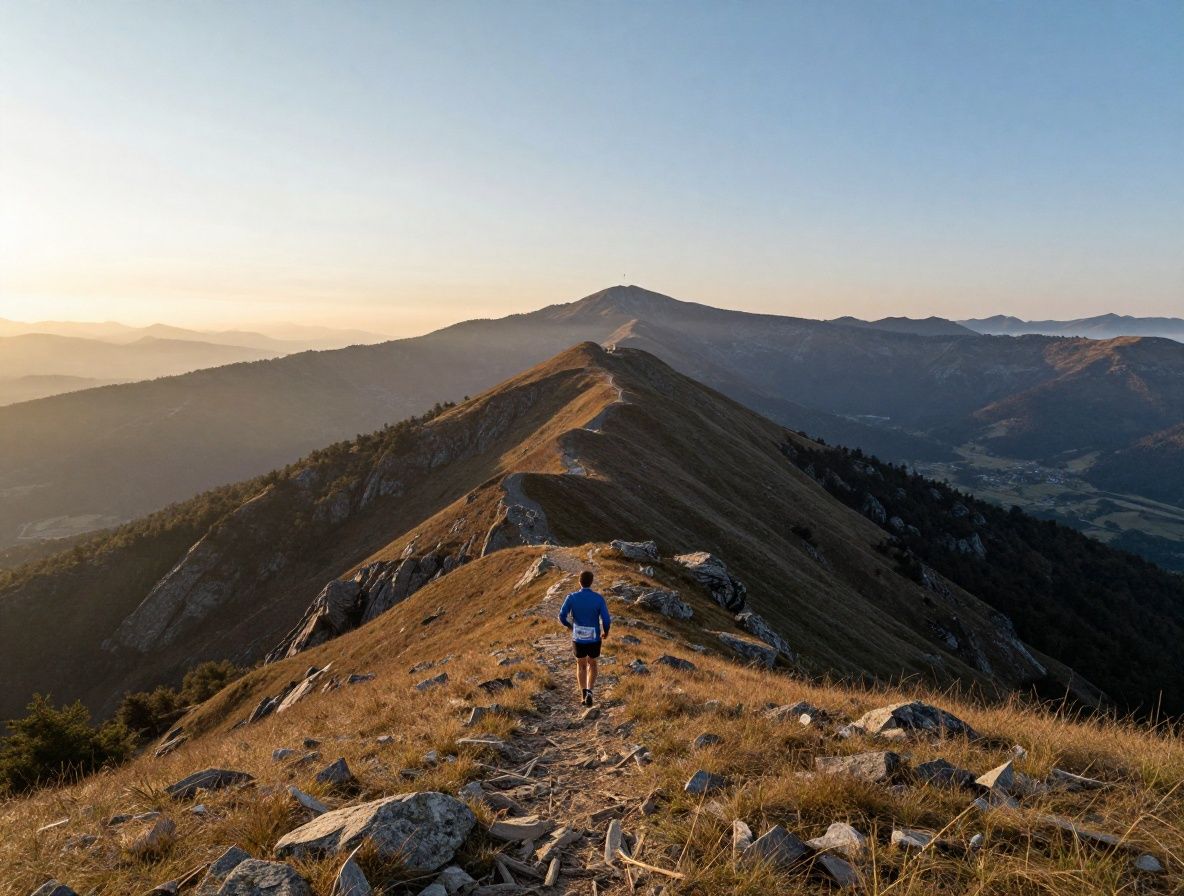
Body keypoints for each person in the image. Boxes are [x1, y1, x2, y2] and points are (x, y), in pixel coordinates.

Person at [558, 570, 611, 706]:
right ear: (591, 582)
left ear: (579, 582)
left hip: (578, 637)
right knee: (592, 664)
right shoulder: (598, 598)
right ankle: (590, 691)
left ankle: (583, 693)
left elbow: (561, 616)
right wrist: (606, 632)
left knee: (581, 665)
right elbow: (606, 619)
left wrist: (569, 626)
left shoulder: (571, 597)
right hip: (594, 638)